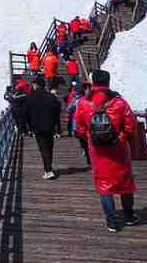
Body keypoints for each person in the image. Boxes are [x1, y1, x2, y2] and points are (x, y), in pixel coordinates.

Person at [73, 69, 138, 233]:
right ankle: (129, 216)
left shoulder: (83, 103)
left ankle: (112, 222)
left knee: (104, 186)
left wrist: (91, 137)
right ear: (108, 82)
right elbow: (130, 126)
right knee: (125, 183)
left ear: (93, 83)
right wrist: (120, 138)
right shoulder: (119, 102)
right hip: (119, 150)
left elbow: (80, 128)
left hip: (98, 151)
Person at [25, 77, 62, 179]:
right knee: (49, 147)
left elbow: (25, 113)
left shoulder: (30, 97)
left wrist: (27, 127)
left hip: (37, 126)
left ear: (36, 85)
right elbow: (57, 112)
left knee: (43, 148)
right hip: (50, 126)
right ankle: (48, 167)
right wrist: (58, 128)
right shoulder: (51, 96)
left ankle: (48, 170)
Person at [68, 82, 91, 164]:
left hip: (79, 122)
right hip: (87, 122)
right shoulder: (90, 98)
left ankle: (87, 153)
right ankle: (88, 153)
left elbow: (69, 109)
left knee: (83, 139)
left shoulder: (76, 100)